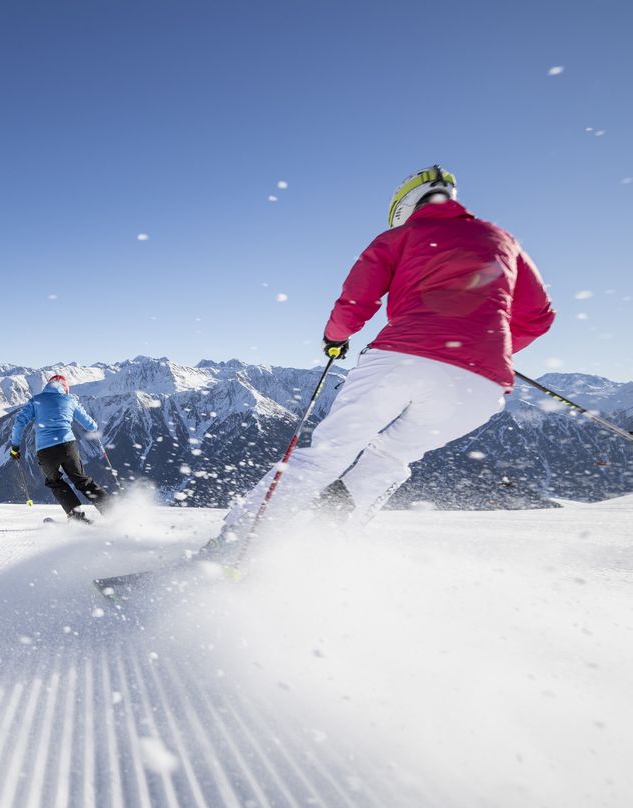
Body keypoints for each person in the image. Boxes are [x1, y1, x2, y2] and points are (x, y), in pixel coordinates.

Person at [217, 164, 555, 545]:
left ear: (406, 203)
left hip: (402, 356)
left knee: (328, 455)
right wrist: (492, 347)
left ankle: (233, 542)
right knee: (390, 459)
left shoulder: (402, 234)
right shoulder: (504, 240)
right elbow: (539, 317)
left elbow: (357, 299)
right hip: (481, 384)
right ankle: (319, 545)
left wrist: (335, 338)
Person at [9, 374, 111, 521]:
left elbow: (19, 422)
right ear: (65, 388)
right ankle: (111, 511)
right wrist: (94, 424)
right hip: (67, 446)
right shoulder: (70, 400)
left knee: (54, 482)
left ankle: (76, 517)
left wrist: (15, 447)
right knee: (82, 480)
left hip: (45, 450)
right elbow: (90, 425)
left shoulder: (36, 400)